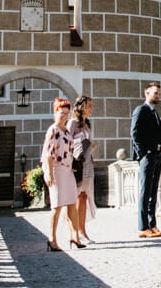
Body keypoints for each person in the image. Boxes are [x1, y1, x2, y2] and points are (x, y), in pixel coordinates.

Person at [41, 96, 85, 251]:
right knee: (57, 205)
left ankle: (75, 237)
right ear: (55, 113)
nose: (65, 116)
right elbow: (48, 154)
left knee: (72, 203)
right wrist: (50, 174)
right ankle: (52, 239)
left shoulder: (66, 130)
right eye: (62, 113)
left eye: (67, 113)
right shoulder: (53, 130)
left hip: (67, 170)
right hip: (57, 169)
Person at [130, 81, 161, 237]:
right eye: (155, 93)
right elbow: (134, 133)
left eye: (159, 93)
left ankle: (152, 225)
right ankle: (143, 227)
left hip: (157, 155)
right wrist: (143, 153)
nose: (158, 96)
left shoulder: (153, 111)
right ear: (147, 94)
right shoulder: (141, 110)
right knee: (145, 192)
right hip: (148, 156)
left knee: (153, 191)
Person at [68, 95, 97, 244]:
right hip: (76, 164)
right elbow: (67, 142)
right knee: (75, 198)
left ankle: (83, 231)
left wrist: (90, 145)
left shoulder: (87, 124)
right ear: (81, 107)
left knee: (84, 196)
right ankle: (75, 233)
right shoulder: (73, 123)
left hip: (87, 164)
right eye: (89, 105)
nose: (91, 108)